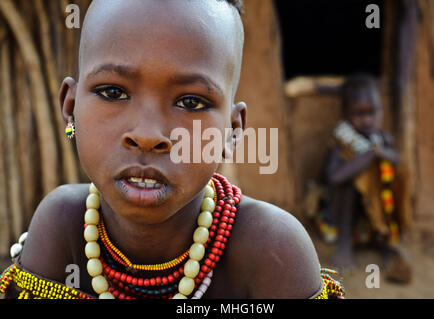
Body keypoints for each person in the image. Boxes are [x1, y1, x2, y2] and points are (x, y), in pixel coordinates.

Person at [0, 0, 343, 299]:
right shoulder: (63, 227)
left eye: (191, 101)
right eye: (113, 93)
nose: (148, 135)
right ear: (71, 107)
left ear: (231, 131)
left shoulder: (271, 251)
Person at [315, 73, 412, 283]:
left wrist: (381, 153)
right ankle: (344, 244)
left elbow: (400, 163)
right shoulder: (341, 143)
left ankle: (386, 240)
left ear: (381, 110)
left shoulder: (381, 139)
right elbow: (334, 177)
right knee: (351, 180)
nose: (368, 120)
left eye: (372, 112)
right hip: (339, 218)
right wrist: (368, 156)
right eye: (359, 113)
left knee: (391, 173)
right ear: (345, 114)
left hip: (369, 219)